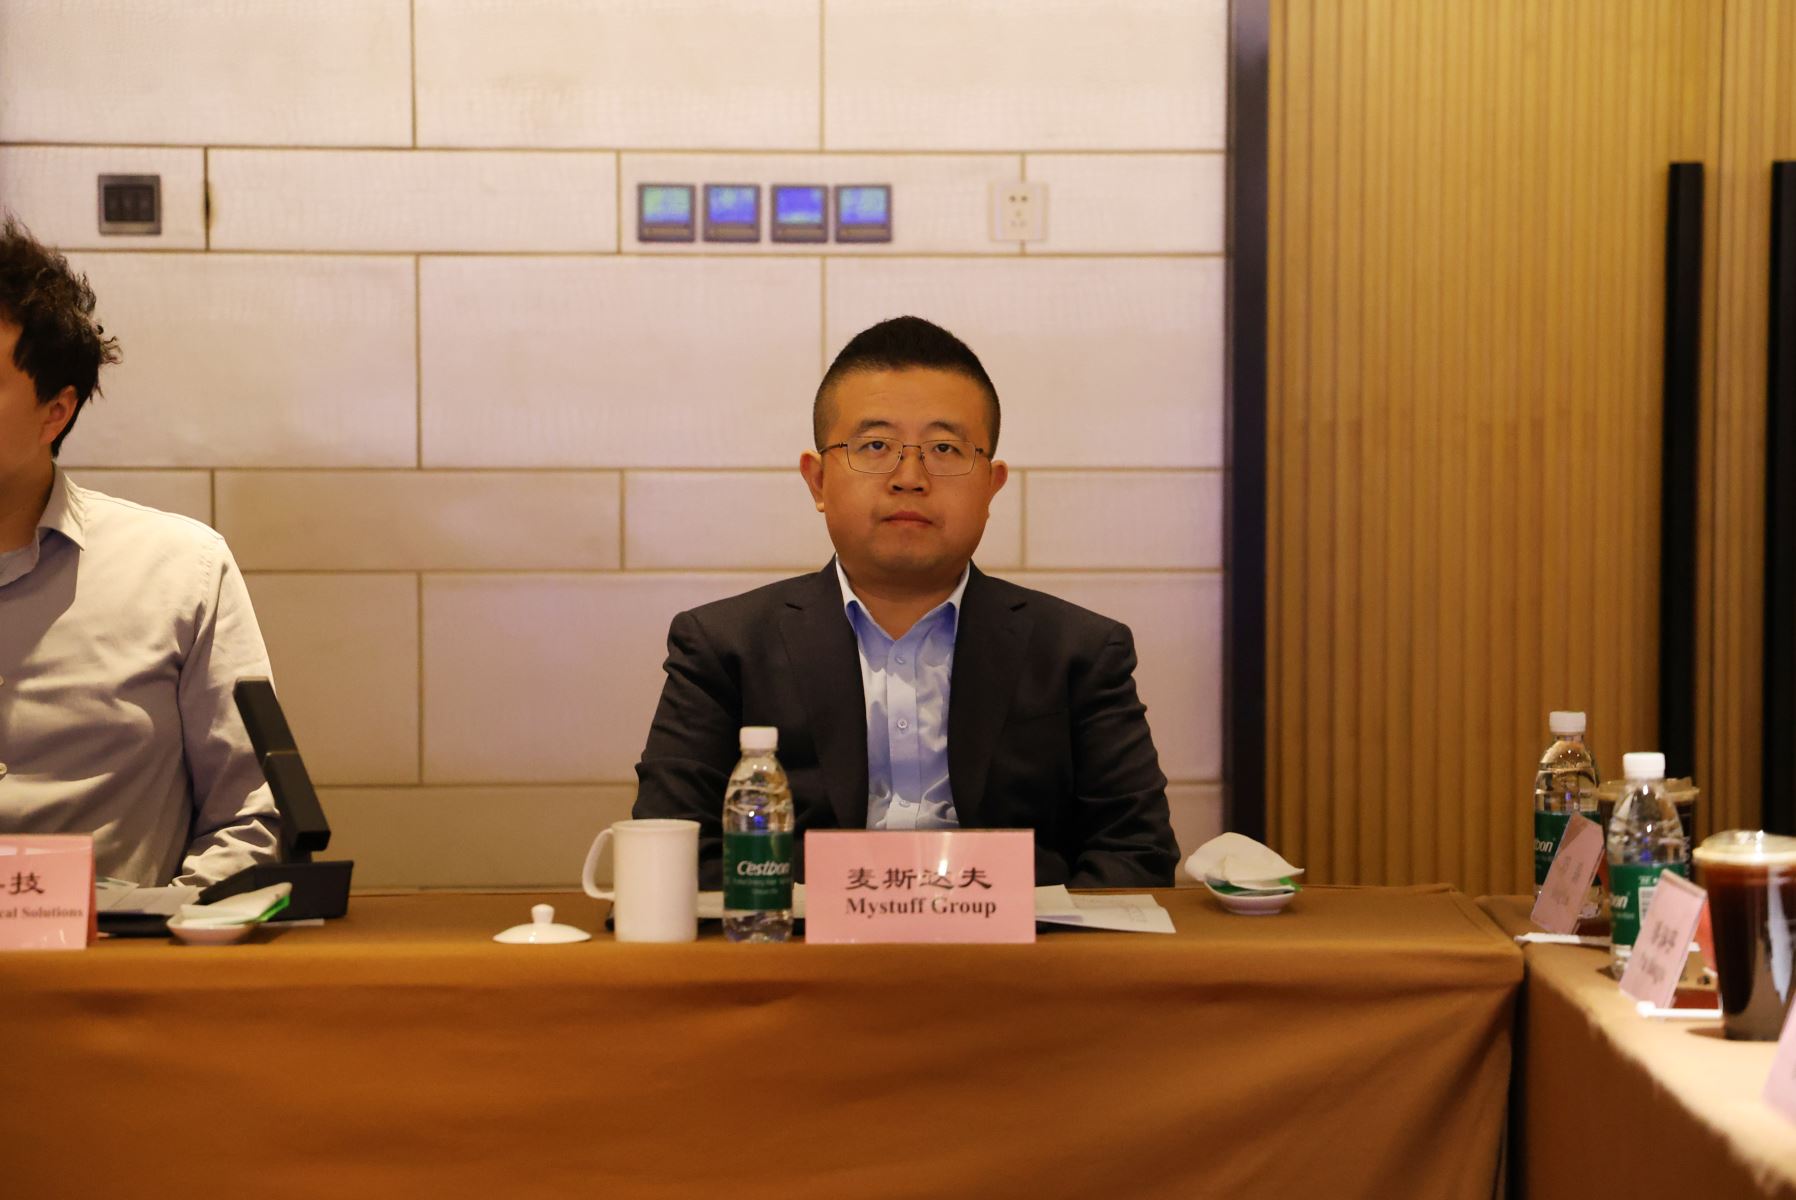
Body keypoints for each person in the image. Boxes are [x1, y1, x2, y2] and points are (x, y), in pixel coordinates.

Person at [633, 315, 1178, 887]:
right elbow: (672, 851)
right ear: (817, 481)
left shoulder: (1081, 652)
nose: (910, 476)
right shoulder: (723, 648)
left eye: (944, 448)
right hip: (799, 939)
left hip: (1017, 940)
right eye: (875, 446)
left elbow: (1135, 855)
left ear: (991, 487)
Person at [0, 217, 279, 886]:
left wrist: (156, 935)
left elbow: (249, 819)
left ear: (54, 411)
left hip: (112, 949)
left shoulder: (179, 570)